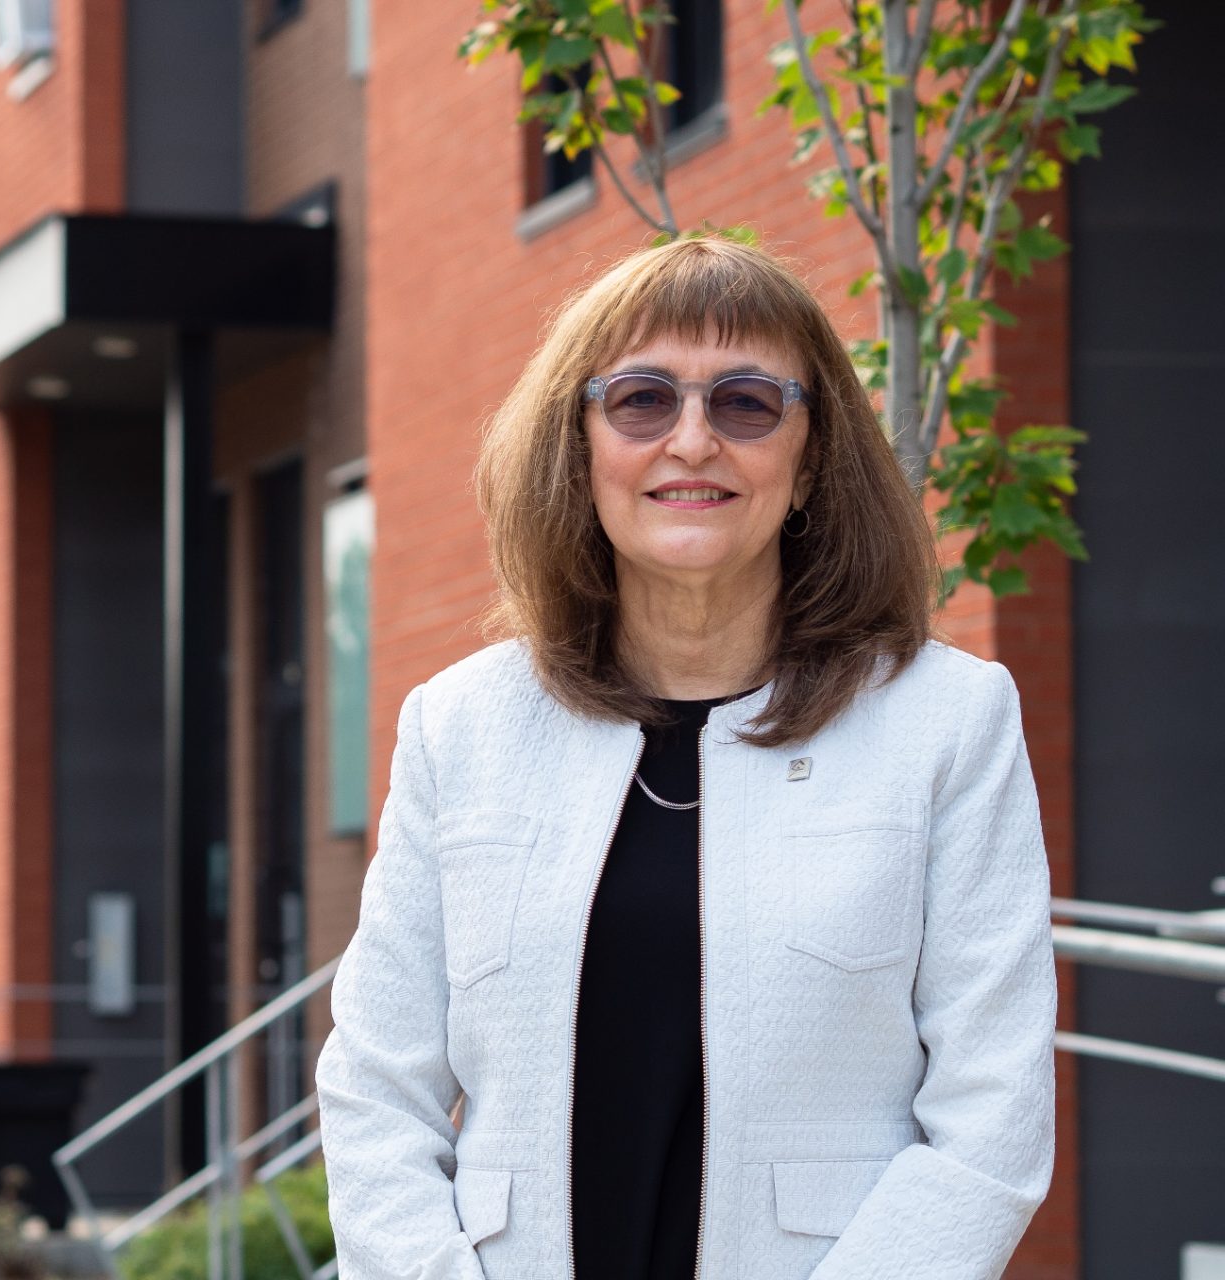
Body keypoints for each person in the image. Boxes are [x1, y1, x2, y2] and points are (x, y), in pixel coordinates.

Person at [313, 235, 1056, 1280]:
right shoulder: (461, 727)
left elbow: (992, 1121)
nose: (693, 441)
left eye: (747, 403)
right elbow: (374, 1090)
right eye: (642, 401)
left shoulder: (948, 723)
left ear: (810, 461)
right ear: (580, 447)